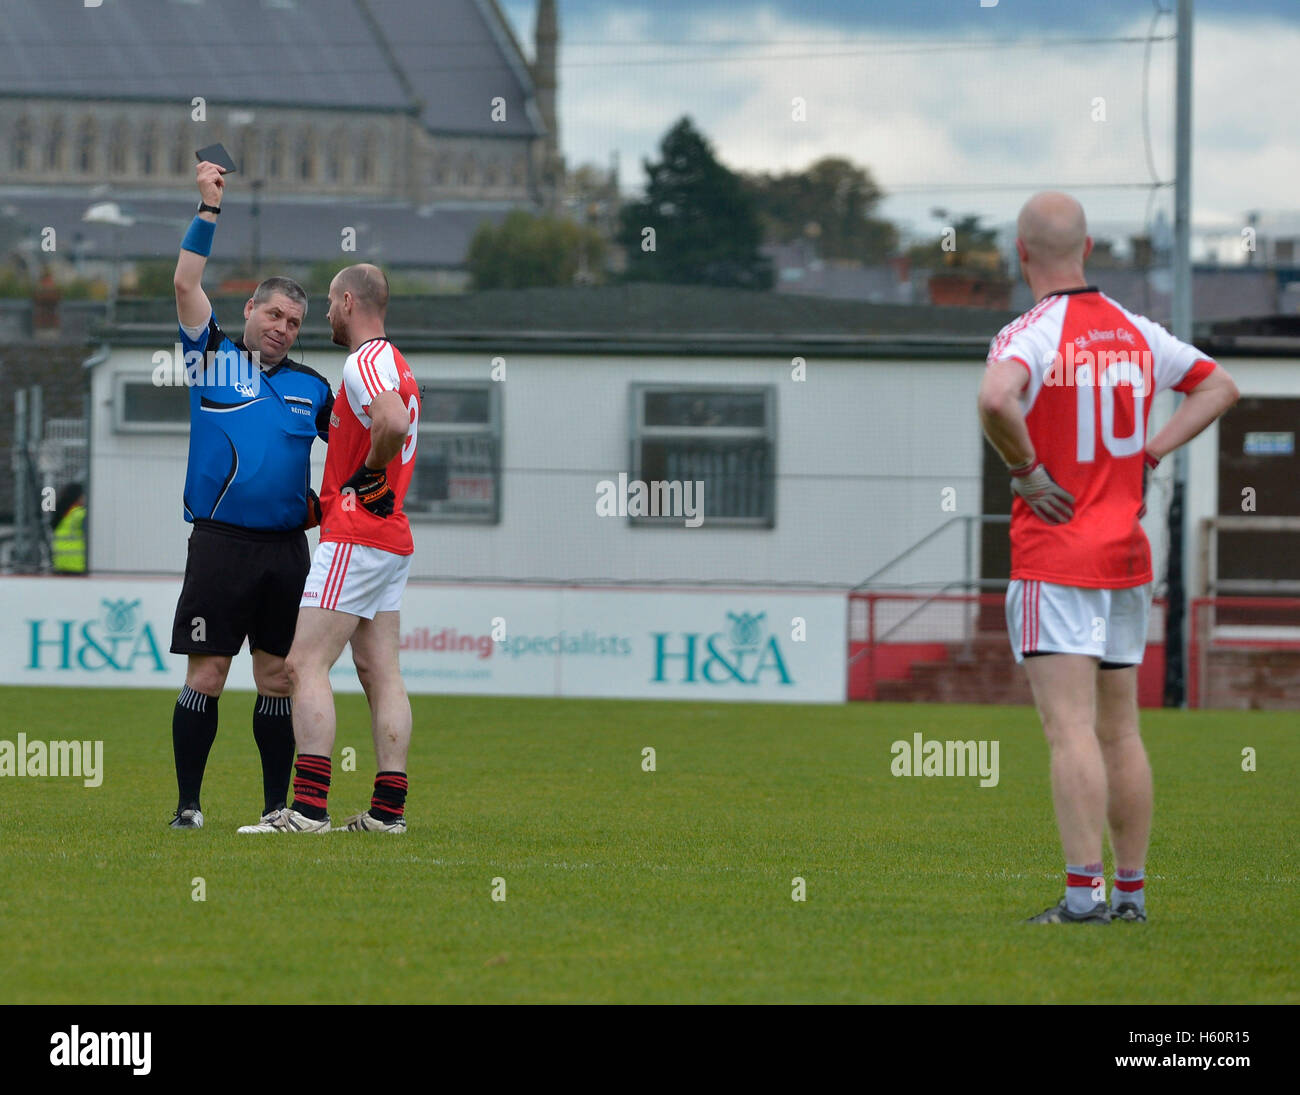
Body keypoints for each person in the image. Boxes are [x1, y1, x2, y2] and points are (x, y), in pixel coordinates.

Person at [978, 191, 1239, 924]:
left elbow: (997, 399)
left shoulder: (1028, 332)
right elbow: (1221, 384)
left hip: (1056, 556)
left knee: (1069, 730)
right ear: (1088, 249)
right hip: (1126, 556)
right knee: (1121, 729)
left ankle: (1082, 896)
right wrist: (1149, 452)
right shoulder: (1134, 330)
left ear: (1021, 254)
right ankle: (1130, 894)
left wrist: (1027, 471)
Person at [168, 159, 333, 831]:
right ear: (249, 310)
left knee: (277, 680)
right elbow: (184, 280)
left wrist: (341, 500)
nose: (283, 327)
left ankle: (275, 807)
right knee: (207, 674)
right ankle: (188, 805)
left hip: (285, 552)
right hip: (220, 545)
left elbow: (349, 455)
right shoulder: (210, 358)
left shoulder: (314, 388)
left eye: (294, 320)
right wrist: (208, 209)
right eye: (273, 314)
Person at [240, 263, 421, 834]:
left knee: (303, 663)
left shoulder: (364, 360)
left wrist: (365, 475)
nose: (322, 315)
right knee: (381, 672)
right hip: (390, 537)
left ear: (348, 301)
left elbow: (388, 422)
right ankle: (388, 814)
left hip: (358, 533)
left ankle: (308, 810)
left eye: (325, 304)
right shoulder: (398, 364)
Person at [50, 482, 87, 574]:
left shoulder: (62, 515)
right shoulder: (79, 514)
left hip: (60, 565)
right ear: (78, 496)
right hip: (77, 565)